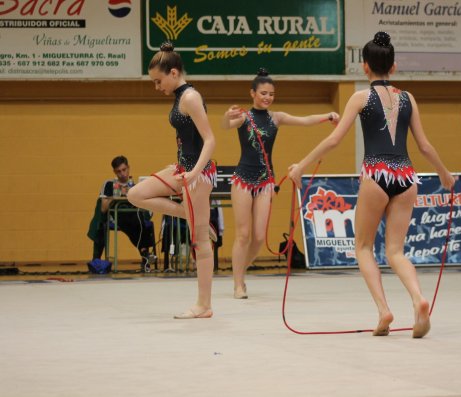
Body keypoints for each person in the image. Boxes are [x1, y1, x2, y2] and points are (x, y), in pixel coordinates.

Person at [288, 32, 455, 338]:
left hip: (376, 174)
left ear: (364, 67)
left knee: (364, 247)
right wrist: (444, 173)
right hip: (406, 176)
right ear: (393, 67)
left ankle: (383, 310)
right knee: (396, 251)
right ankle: (418, 299)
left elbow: (334, 139)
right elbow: (426, 146)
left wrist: (301, 165)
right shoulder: (408, 98)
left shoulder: (360, 98)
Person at [221, 68, 340, 299]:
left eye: (271, 94)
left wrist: (327, 116)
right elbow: (226, 126)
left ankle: (240, 272)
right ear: (253, 93)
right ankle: (238, 284)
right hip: (243, 180)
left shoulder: (276, 118)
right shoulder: (244, 117)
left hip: (266, 181)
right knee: (243, 235)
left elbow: (304, 121)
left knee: (258, 237)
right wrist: (227, 115)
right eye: (263, 93)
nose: (267, 97)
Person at [127, 41, 216, 319]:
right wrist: (180, 166)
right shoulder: (179, 97)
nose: (157, 87)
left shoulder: (190, 97)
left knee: (200, 242)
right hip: (183, 169)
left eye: (158, 81)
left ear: (174, 73)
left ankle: (204, 305)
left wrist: (194, 172)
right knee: (136, 194)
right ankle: (190, 216)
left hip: (198, 174)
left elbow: (211, 140)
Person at [87, 155, 156, 272]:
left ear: (128, 168)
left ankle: (145, 255)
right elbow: (103, 208)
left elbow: (147, 210)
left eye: (124, 170)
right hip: (115, 217)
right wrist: (117, 194)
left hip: (133, 217)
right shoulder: (108, 184)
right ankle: (145, 253)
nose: (122, 174)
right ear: (114, 171)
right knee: (133, 221)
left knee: (139, 220)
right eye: (118, 171)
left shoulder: (135, 186)